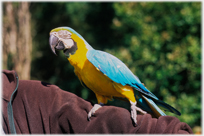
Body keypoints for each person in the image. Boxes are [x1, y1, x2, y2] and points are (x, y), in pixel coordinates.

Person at [2, 70, 193, 134]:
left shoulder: (28, 95)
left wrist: (167, 131)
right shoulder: (80, 72)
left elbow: (99, 121)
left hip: (132, 94)